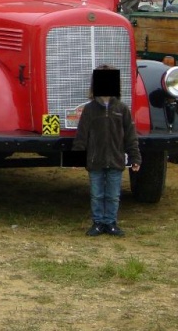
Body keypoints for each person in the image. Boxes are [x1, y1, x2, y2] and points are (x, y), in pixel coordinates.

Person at [73, 66, 141, 237]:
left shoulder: (122, 109)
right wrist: (76, 157)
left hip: (116, 160)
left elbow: (131, 136)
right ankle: (97, 223)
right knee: (96, 194)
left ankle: (110, 223)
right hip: (95, 161)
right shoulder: (89, 110)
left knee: (113, 195)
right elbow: (81, 135)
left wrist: (135, 158)